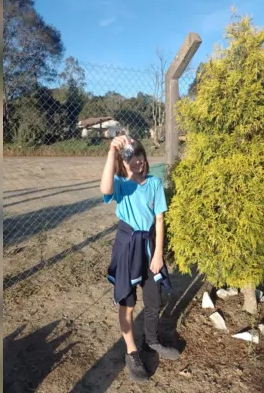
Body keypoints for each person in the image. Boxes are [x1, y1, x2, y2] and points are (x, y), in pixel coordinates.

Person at [100, 135, 180, 382]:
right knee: (128, 301)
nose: (135, 160)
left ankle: (152, 341)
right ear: (122, 163)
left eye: (139, 155)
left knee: (154, 299)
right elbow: (104, 189)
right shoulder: (121, 184)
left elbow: (159, 220)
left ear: (145, 158)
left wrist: (158, 255)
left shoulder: (154, 183)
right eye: (129, 157)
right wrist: (113, 150)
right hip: (127, 245)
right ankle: (132, 352)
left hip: (149, 245)